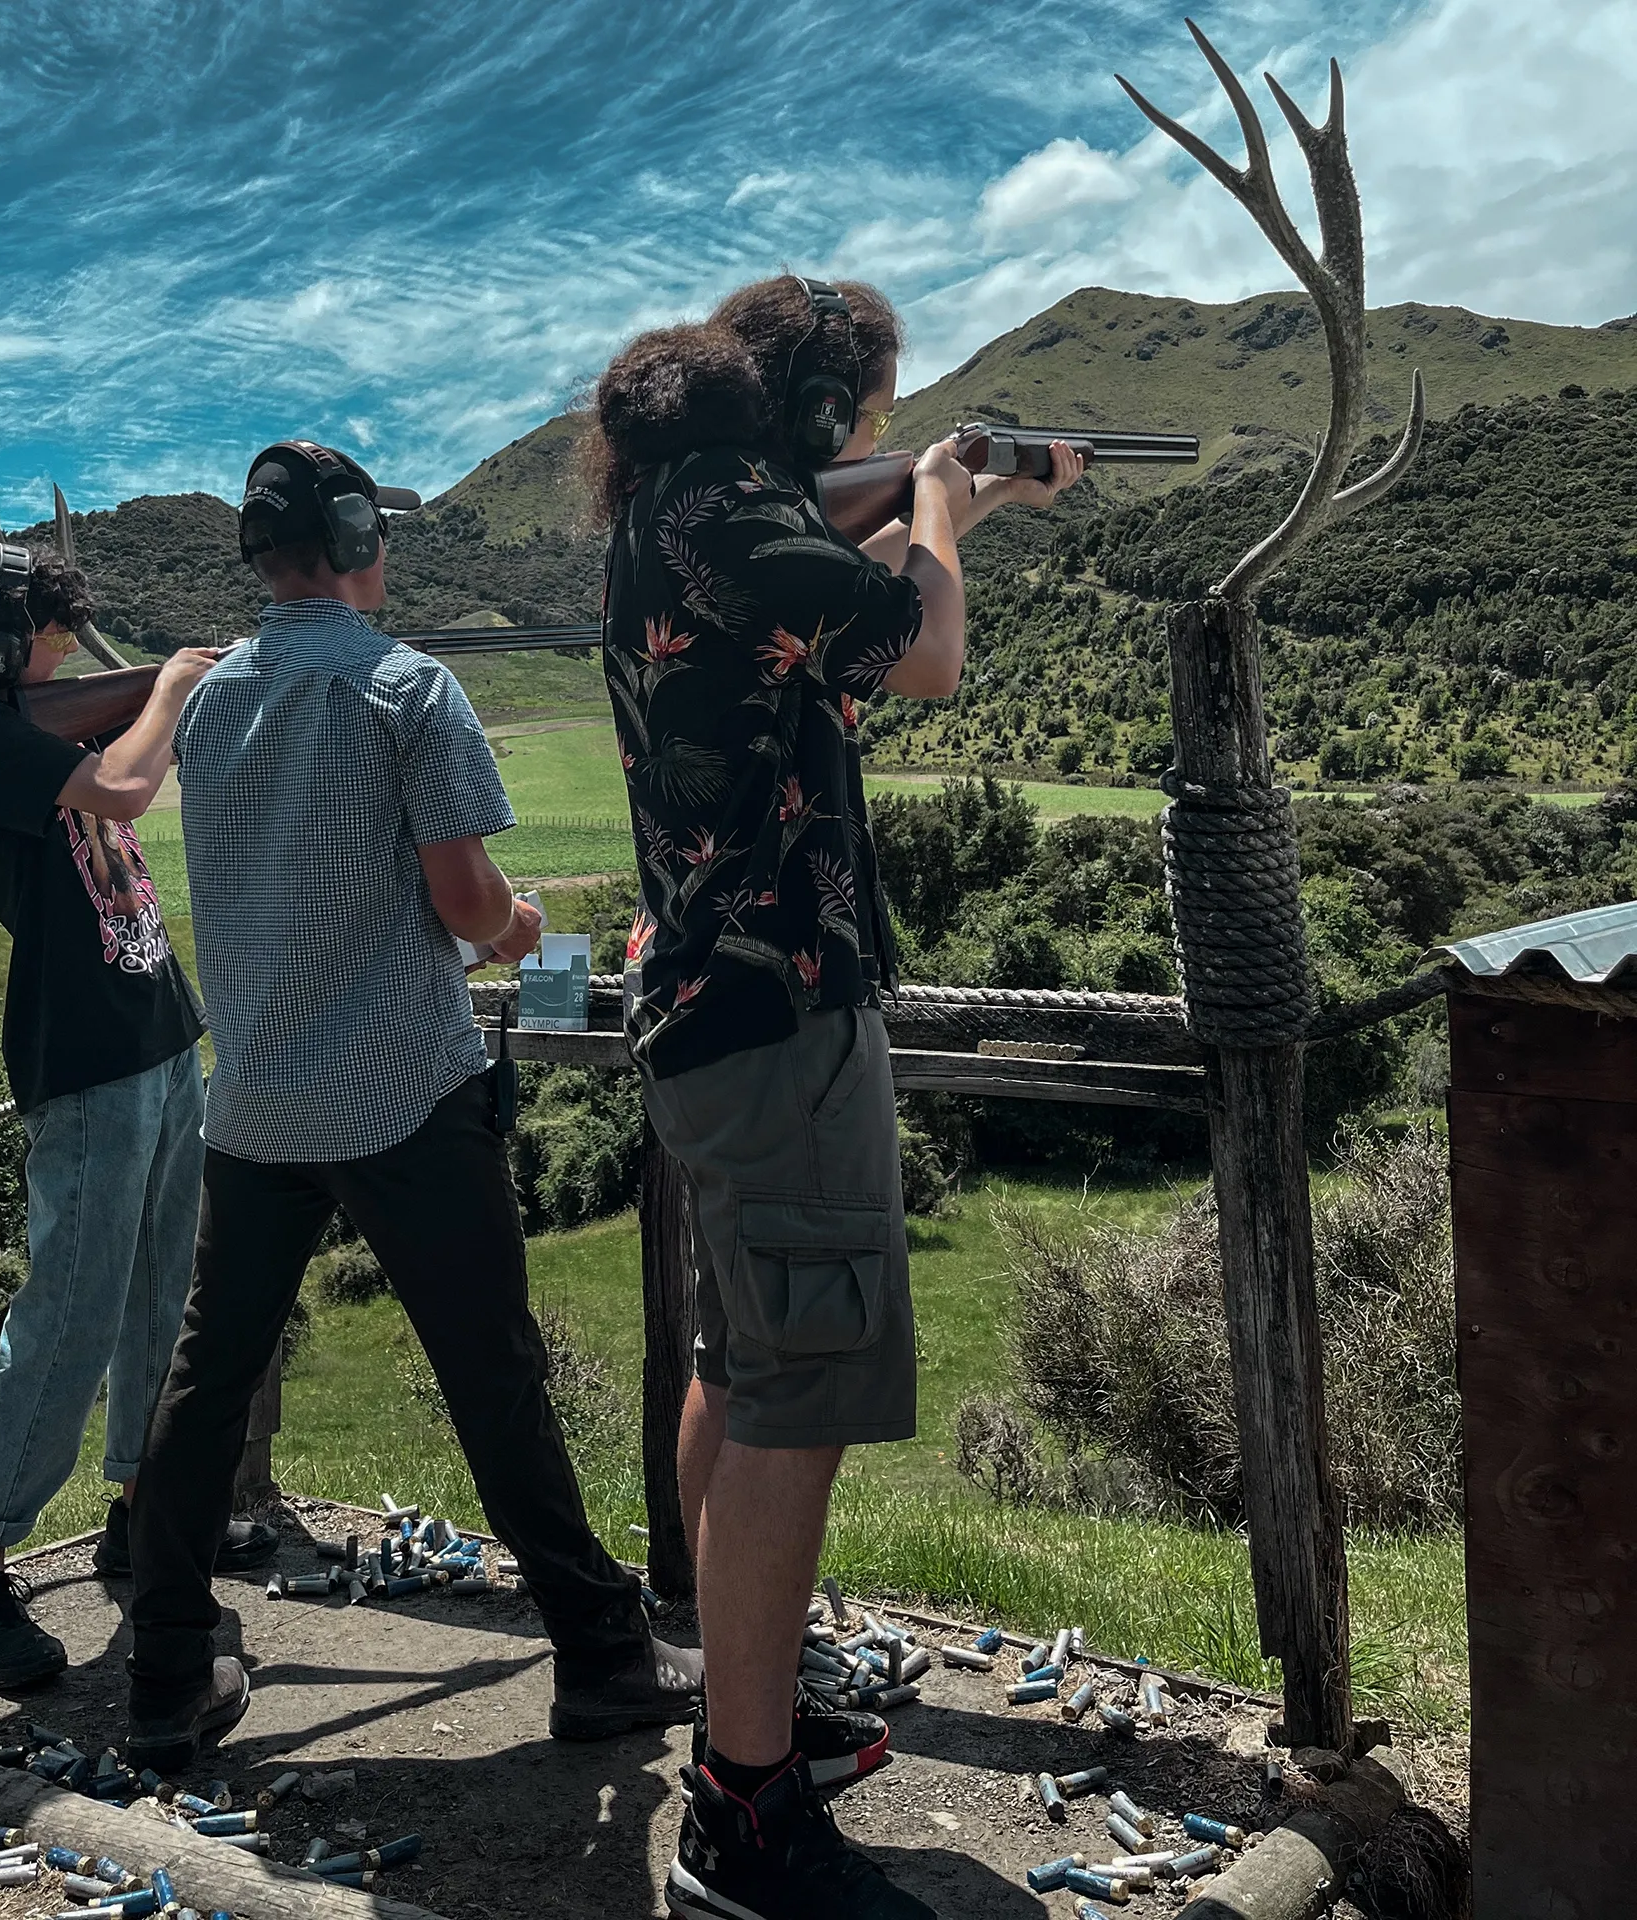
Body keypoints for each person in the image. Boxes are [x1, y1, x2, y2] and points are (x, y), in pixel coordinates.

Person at [587, 278, 1081, 1920]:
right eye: (871, 411)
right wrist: (947, 499)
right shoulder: (734, 511)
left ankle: (755, 1700)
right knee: (802, 1377)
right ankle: (743, 1808)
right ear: (825, 413)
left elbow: (836, 618)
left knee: (740, 1360)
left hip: (718, 1008)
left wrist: (953, 499)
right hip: (777, 1006)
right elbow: (928, 653)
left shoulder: (689, 513)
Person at [121, 439, 705, 1769]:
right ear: (353, 533)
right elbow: (465, 903)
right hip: (402, 1092)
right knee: (495, 1379)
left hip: (257, 1099)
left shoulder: (208, 704)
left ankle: (164, 1672)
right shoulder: (409, 689)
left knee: (207, 1386)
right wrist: (522, 931)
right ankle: (604, 1656)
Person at [0, 538, 278, 1693]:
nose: (69, 648)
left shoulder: (29, 720)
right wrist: (171, 683)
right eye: (53, 631)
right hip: (84, 1059)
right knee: (69, 1311)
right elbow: (124, 788)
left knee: (162, 1301)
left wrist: (174, 683)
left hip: (161, 1038)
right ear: (8, 647)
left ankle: (139, 1515)